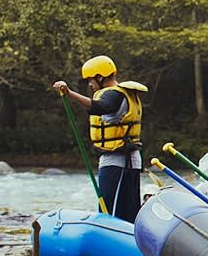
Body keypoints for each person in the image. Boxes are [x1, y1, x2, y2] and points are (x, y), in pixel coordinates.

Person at [52, 55, 146, 223]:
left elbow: (100, 107)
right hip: (124, 160)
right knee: (124, 211)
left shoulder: (113, 95)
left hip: (119, 161)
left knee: (111, 212)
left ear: (100, 77)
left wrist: (70, 93)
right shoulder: (121, 93)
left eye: (91, 80)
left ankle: (115, 243)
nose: (90, 84)